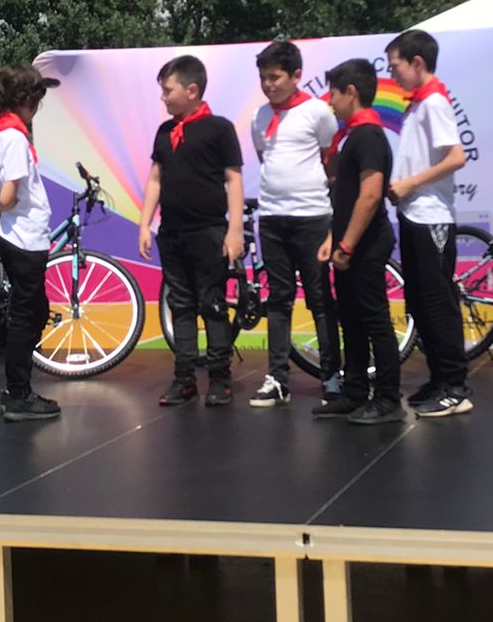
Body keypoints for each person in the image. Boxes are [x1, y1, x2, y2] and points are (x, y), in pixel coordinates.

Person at [138, 55, 246, 407]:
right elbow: (155, 179)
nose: (163, 97)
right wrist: (145, 224)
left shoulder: (219, 128)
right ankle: (184, 377)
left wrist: (234, 229)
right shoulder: (164, 132)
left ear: (192, 90)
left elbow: (233, 179)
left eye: (167, 90)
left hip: (209, 230)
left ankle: (219, 378)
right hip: (173, 231)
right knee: (180, 305)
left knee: (212, 303)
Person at [384, 28, 472, 418]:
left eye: (396, 66)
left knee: (438, 302)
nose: (393, 74)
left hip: (431, 214)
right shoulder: (418, 103)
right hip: (413, 213)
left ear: (417, 62)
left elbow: (456, 157)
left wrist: (410, 184)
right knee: (420, 301)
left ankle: (455, 386)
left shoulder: (434, 101)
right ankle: (439, 379)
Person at [248, 40, 339, 407]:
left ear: (296, 75)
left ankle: (332, 376)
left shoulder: (317, 111)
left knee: (319, 298)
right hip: (272, 217)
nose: (268, 85)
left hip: (312, 216)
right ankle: (277, 378)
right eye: (263, 78)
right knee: (279, 299)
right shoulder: (259, 116)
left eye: (275, 77)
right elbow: (265, 158)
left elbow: (330, 159)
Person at [316, 59, 402, 425]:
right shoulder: (353, 135)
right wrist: (334, 239)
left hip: (365, 244)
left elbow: (369, 195)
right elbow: (345, 195)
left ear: (350, 92)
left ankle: (387, 398)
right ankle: (354, 391)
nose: (330, 102)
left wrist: (348, 245)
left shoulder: (368, 136)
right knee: (350, 318)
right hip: (349, 244)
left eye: (333, 94)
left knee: (373, 319)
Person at [0, 65, 61, 422]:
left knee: (34, 311)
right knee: (26, 316)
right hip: (25, 236)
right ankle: (17, 392)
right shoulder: (14, 138)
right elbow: (8, 193)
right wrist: (7, 206)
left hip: (19, 234)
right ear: (25, 100)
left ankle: (18, 387)